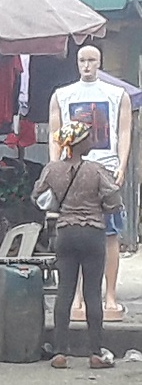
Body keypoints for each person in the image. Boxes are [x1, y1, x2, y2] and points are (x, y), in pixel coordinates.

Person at [48, 45, 131, 322]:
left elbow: (124, 130)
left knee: (109, 235)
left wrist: (122, 164)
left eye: (92, 60)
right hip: (72, 170)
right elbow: (54, 133)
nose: (86, 65)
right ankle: (77, 297)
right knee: (75, 232)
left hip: (106, 169)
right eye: (82, 60)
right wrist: (55, 166)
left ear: (100, 62)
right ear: (76, 62)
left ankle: (110, 296)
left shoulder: (117, 94)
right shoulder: (62, 95)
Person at [32, 121, 121, 369]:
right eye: (88, 137)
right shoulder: (96, 170)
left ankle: (60, 353)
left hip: (66, 233)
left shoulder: (53, 170)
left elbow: (38, 197)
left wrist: (57, 205)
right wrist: (103, 208)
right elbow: (113, 198)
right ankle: (94, 353)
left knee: (65, 292)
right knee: (93, 293)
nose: (92, 140)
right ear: (78, 143)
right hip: (93, 234)